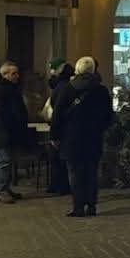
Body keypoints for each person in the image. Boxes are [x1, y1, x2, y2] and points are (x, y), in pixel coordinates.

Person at [51, 55, 114, 217]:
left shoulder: (68, 88)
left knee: (74, 172)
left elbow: (57, 114)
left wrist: (55, 136)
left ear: (77, 69)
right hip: (93, 137)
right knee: (91, 171)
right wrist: (100, 129)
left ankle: (78, 206)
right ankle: (91, 206)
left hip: (71, 137)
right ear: (93, 70)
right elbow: (108, 115)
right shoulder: (101, 90)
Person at [0, 60, 28, 204]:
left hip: (10, 130)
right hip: (3, 130)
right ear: (5, 75)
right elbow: (0, 111)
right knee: (4, 160)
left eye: (17, 73)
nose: (17, 76)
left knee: (8, 160)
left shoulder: (11, 87)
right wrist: (14, 120)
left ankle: (6, 187)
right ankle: (1, 190)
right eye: (13, 73)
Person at [44, 59, 74, 195]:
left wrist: (54, 134)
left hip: (60, 127)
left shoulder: (61, 87)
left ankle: (60, 185)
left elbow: (57, 111)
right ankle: (59, 185)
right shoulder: (66, 85)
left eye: (53, 68)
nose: (51, 71)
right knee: (58, 157)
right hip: (64, 127)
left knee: (58, 157)